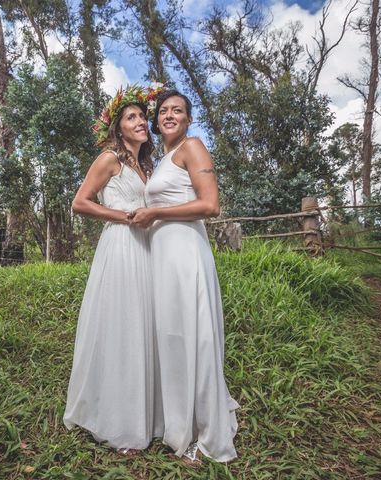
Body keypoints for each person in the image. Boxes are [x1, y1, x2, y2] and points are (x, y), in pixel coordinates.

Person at [131, 89, 239, 462]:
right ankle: (175, 417)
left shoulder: (192, 146)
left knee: (192, 335)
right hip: (161, 256)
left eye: (178, 110)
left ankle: (204, 428)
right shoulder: (161, 161)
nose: (169, 115)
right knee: (172, 335)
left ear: (189, 119)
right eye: (163, 111)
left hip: (185, 253)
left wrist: (157, 214)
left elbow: (210, 204)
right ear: (156, 120)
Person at [63, 86, 164, 452]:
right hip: (121, 247)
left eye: (141, 117)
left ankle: (149, 413)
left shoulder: (148, 165)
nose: (140, 122)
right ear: (119, 128)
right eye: (131, 117)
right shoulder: (110, 160)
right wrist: (124, 216)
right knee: (124, 325)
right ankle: (118, 420)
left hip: (150, 249)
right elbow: (80, 202)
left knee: (147, 325)